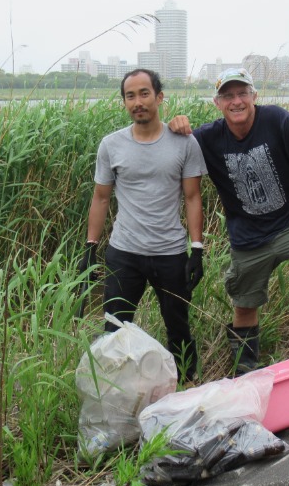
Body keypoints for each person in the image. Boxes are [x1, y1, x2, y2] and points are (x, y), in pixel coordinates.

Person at [169, 67, 289, 377]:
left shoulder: (276, 119)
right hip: (249, 238)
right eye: (228, 96)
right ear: (217, 103)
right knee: (245, 306)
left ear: (254, 97)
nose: (236, 101)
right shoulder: (208, 137)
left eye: (242, 94)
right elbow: (173, 146)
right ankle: (247, 375)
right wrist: (175, 125)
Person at [78, 68, 208, 381]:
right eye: (130, 95)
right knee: (115, 328)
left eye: (144, 94)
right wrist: (90, 247)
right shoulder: (111, 145)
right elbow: (100, 198)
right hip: (125, 252)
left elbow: (192, 197)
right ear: (124, 102)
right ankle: (115, 389)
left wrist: (197, 250)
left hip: (170, 253)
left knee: (177, 325)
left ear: (159, 97)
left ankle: (185, 384)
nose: (138, 102)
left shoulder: (184, 143)